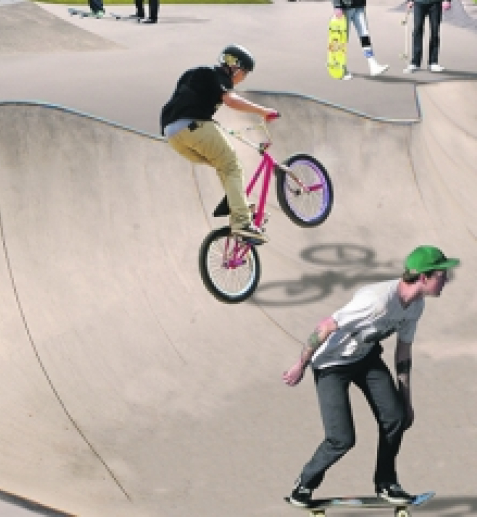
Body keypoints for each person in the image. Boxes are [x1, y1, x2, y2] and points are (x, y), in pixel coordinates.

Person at [283, 245, 459, 507]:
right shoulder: (376, 301)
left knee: (396, 418)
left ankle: (386, 482)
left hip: (365, 358)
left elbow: (403, 352)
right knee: (341, 438)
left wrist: (405, 401)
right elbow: (325, 326)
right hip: (330, 364)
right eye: (441, 275)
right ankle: (303, 485)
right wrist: (300, 364)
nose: (446, 279)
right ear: (424, 277)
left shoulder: (415, 306)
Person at [160, 44, 279, 244]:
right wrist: (264, 111)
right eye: (245, 74)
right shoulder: (218, 76)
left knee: (223, 166)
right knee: (232, 166)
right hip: (193, 126)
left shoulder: (195, 73)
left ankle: (237, 203)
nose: (242, 79)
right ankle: (242, 221)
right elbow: (231, 101)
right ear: (237, 68)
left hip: (173, 135)